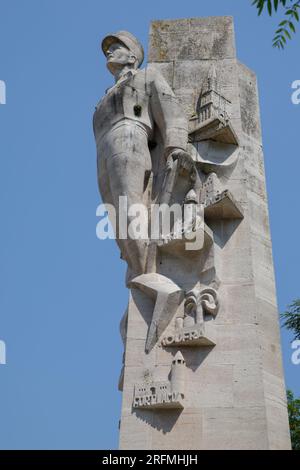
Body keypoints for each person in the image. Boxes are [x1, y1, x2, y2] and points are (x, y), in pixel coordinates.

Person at [93, 31, 189, 281]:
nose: (109, 51)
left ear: (133, 56)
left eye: (116, 46)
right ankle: (136, 266)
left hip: (131, 138)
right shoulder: (105, 95)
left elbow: (172, 111)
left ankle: (147, 270)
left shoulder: (147, 77)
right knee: (114, 214)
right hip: (104, 150)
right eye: (109, 48)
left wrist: (176, 147)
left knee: (128, 203)